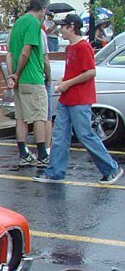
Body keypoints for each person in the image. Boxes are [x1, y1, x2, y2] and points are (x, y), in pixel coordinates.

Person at [33, 13, 123, 185]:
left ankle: (111, 168)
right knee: (60, 136)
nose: (60, 30)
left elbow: (90, 72)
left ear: (72, 27)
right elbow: (74, 71)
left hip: (80, 99)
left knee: (85, 134)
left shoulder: (83, 47)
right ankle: (55, 173)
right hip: (68, 99)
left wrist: (68, 83)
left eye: (63, 26)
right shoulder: (70, 48)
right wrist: (63, 81)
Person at [6, 0, 49, 168]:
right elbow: (26, 51)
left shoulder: (17, 24)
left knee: (21, 118)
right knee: (39, 116)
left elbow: (9, 54)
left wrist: (12, 76)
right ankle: (42, 155)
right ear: (42, 9)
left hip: (19, 82)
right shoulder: (34, 24)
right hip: (32, 78)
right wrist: (18, 73)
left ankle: (23, 153)